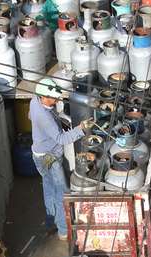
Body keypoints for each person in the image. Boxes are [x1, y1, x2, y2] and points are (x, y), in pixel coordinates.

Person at [29, 77, 93, 240]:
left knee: (49, 189)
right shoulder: (44, 116)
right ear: (43, 96)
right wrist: (81, 129)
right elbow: (62, 139)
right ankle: (64, 230)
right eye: (53, 97)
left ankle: (50, 222)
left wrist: (59, 123)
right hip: (50, 157)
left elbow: (32, 117)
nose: (56, 99)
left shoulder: (34, 101)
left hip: (39, 154)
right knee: (62, 192)